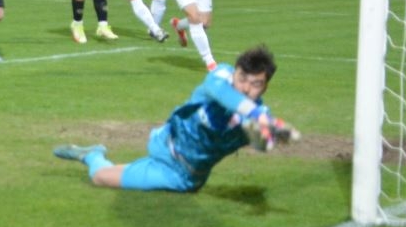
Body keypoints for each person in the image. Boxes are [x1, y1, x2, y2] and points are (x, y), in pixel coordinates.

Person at [52, 45, 297, 192]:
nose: (245, 88)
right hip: (164, 142)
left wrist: (272, 136)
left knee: (101, 177)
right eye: (242, 78)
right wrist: (256, 114)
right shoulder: (221, 77)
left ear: (265, 87)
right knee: (104, 178)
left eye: (256, 84)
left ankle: (93, 155)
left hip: (181, 176)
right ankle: (97, 157)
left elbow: (262, 143)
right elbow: (223, 94)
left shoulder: (259, 118)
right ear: (235, 72)